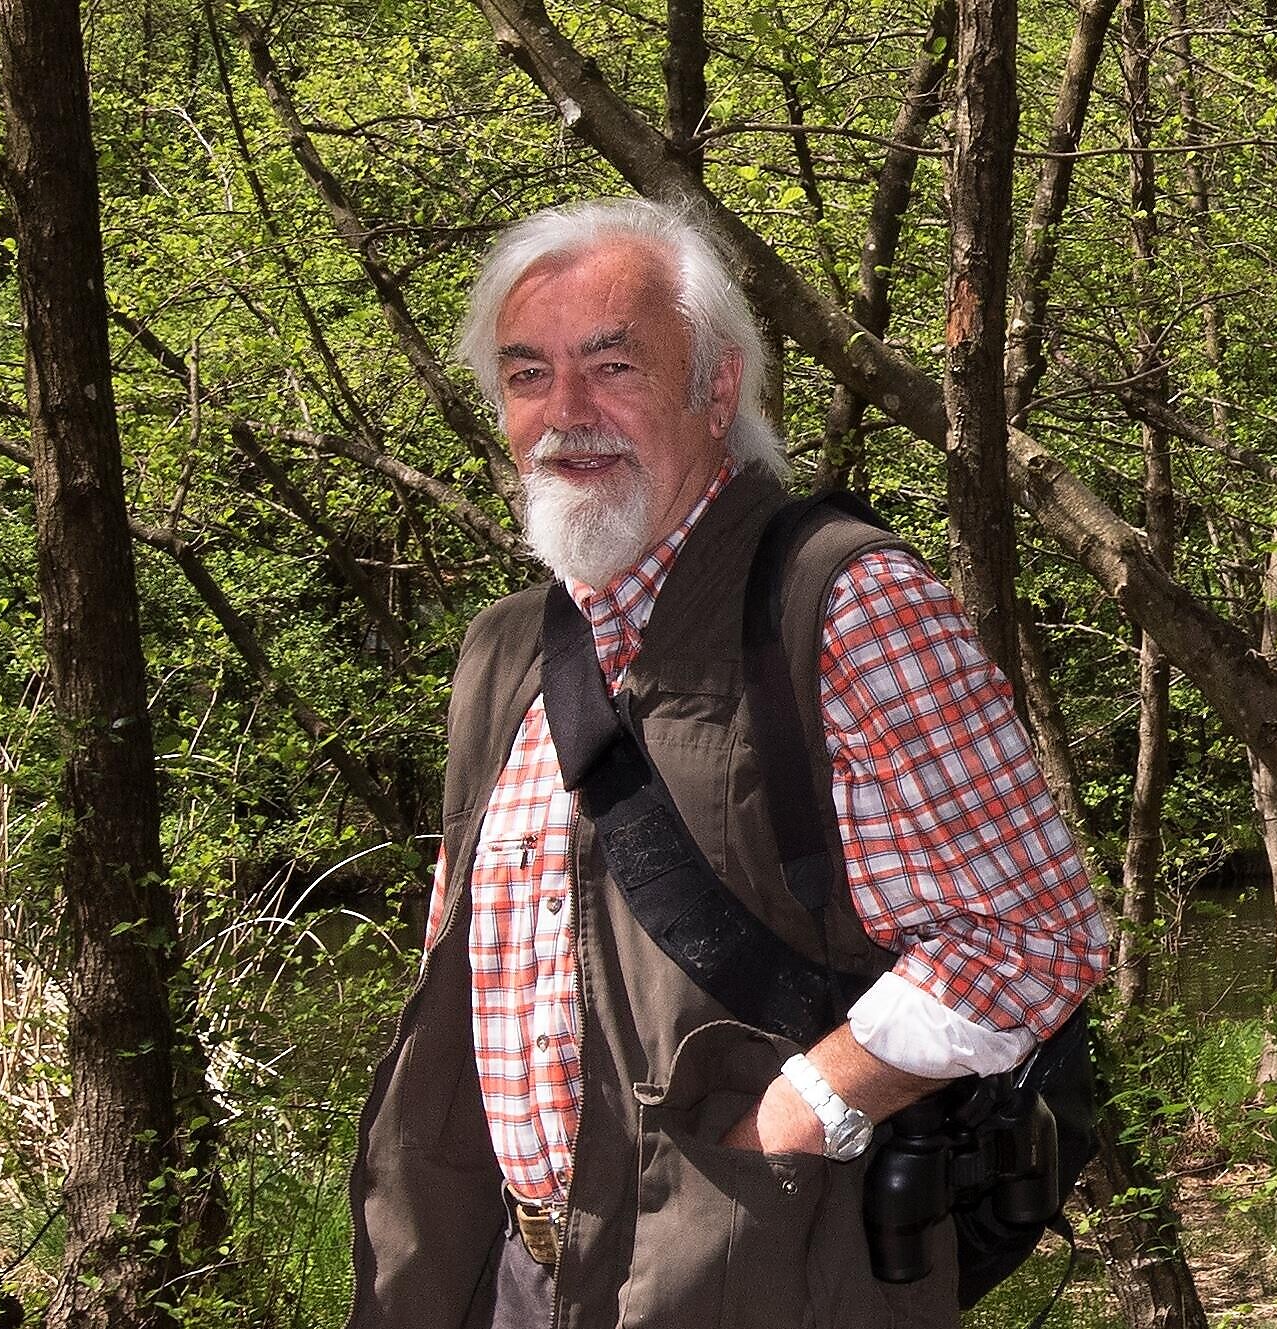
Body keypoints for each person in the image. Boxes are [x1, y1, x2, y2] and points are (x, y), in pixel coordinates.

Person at [346, 197, 1106, 1329]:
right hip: (510, 1275)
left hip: (756, 1273)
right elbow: (474, 966)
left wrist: (797, 1118)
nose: (565, 415)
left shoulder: (842, 606)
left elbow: (1032, 935)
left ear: (716, 387)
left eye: (611, 366)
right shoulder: (504, 649)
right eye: (526, 377)